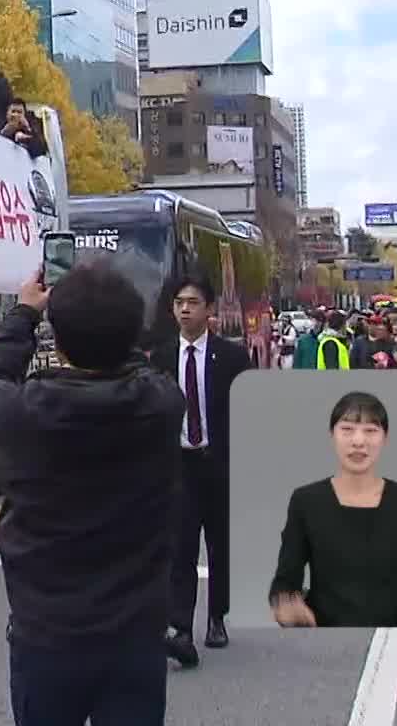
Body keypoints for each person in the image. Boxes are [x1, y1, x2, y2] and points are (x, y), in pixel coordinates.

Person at [0, 261, 183, 726]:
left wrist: (23, 314)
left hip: (46, 638)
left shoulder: (24, 413)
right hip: (135, 639)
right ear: (130, 336)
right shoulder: (161, 406)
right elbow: (142, 368)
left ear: (57, 342)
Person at [268, 391, 397, 628]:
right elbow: (285, 580)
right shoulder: (306, 501)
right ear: (331, 435)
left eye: (371, 431)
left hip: (391, 631)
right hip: (322, 631)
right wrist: (286, 607)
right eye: (347, 429)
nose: (358, 441)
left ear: (385, 437)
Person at [157, 274, 250, 667]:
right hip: (180, 465)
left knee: (219, 545)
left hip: (219, 463)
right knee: (180, 547)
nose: (185, 309)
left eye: (193, 302)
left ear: (209, 309)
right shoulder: (161, 356)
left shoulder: (231, 356)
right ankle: (180, 625)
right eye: (179, 302)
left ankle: (217, 617)